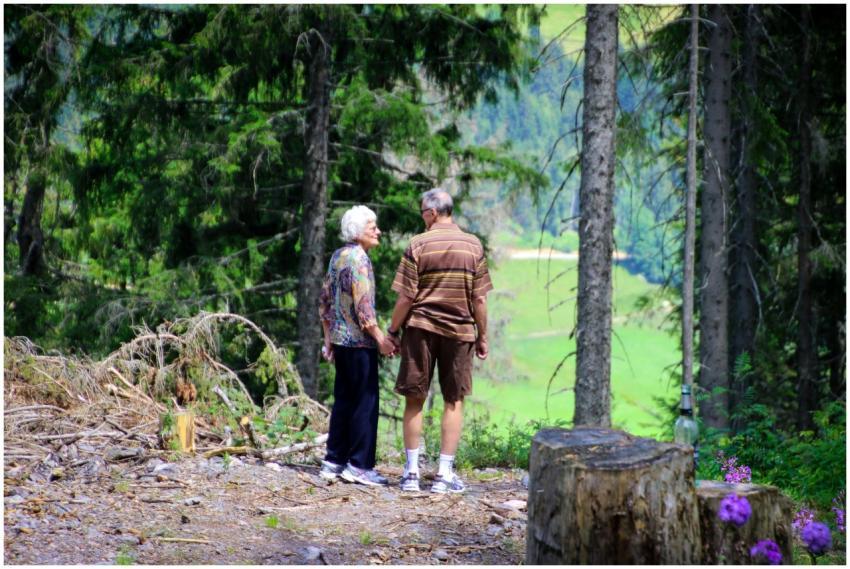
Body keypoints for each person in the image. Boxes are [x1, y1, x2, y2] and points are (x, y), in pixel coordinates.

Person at [386, 188, 492, 493]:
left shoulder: (417, 244)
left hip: (420, 329)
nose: (422, 218)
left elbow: (407, 297)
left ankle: (411, 474)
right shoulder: (473, 245)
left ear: (432, 213)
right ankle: (444, 475)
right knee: (453, 400)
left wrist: (392, 332)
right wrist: (482, 336)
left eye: (422, 213)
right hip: (460, 333)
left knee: (414, 399)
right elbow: (480, 299)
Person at [318, 205, 396, 487]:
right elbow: (364, 310)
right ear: (357, 231)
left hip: (340, 341)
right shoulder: (360, 260)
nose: (378, 231)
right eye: (372, 226)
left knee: (344, 401)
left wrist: (328, 340)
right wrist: (382, 340)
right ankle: (360, 465)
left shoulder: (338, 256)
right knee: (365, 402)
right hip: (360, 343)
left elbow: (324, 301)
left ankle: (334, 460)